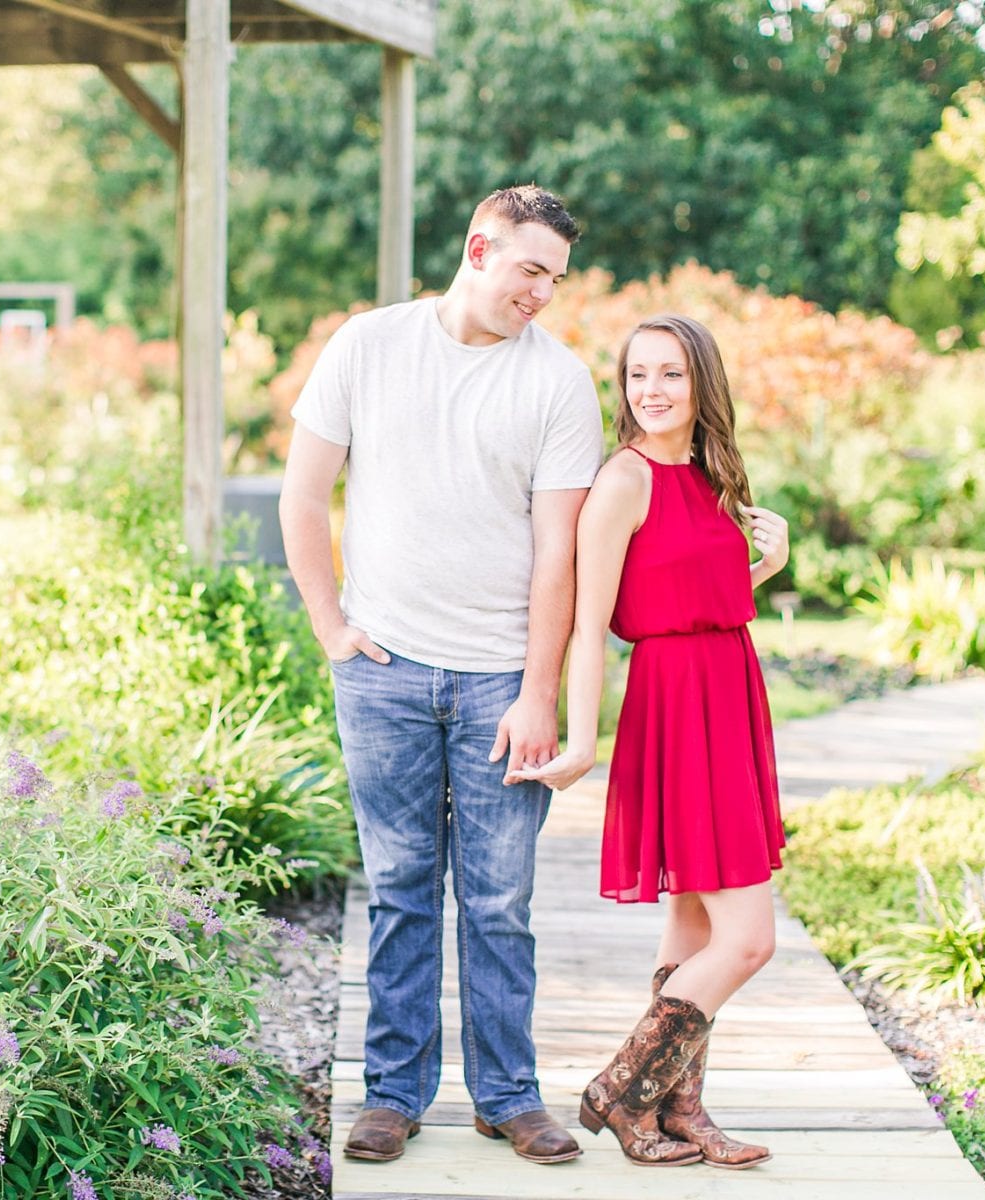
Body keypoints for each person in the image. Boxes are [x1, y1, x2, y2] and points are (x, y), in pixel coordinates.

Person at [278, 186, 605, 1166]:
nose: (543, 292)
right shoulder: (368, 346)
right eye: (530, 270)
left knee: (500, 898)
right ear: (479, 248)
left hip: (501, 678)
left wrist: (538, 690)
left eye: (555, 277)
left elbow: (560, 555)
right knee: (401, 886)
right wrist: (331, 626)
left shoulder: (558, 382)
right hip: (382, 671)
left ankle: (509, 1095)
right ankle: (392, 1094)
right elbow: (304, 493)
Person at [510, 313, 790, 1168]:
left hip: (730, 695)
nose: (653, 391)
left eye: (670, 373)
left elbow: (700, 593)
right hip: (675, 709)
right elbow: (592, 627)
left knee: (692, 927)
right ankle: (623, 1088)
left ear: (701, 381)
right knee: (748, 939)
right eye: (637, 375)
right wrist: (582, 736)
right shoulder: (623, 481)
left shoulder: (713, 474)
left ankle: (675, 1115)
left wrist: (764, 571)